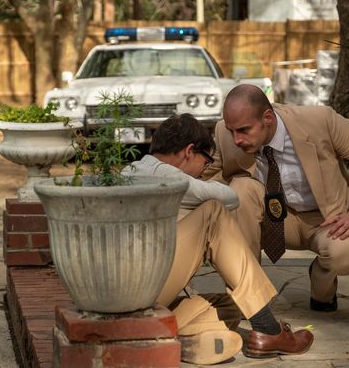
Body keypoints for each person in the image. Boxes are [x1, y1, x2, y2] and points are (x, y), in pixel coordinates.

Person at [123, 113, 314, 364]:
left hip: (140, 296)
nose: (204, 171)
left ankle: (166, 336)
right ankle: (268, 330)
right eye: (206, 161)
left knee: (232, 306)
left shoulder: (131, 169)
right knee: (213, 214)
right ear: (189, 151)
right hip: (140, 289)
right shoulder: (164, 174)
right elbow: (230, 198)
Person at [203, 84, 349, 312]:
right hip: (273, 219)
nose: (236, 139)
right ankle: (250, 295)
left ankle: (321, 284)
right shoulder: (225, 133)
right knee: (241, 188)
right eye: (232, 131)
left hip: (327, 219)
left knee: (344, 254)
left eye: (244, 130)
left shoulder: (320, 121)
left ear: (267, 118)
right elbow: (205, 175)